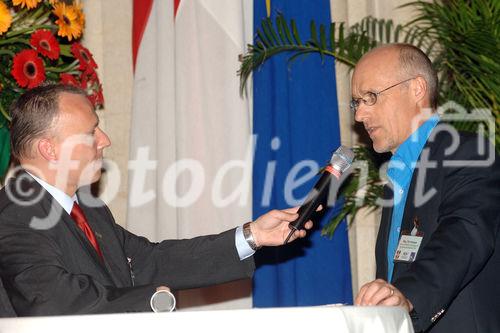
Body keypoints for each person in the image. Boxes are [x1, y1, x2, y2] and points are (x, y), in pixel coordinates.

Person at [0, 84, 313, 316]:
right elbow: (51, 300)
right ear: (49, 150)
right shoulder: (14, 214)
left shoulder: (89, 210)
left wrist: (253, 235)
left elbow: (150, 261)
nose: (104, 141)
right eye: (90, 132)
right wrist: (150, 300)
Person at [351, 43, 500, 332]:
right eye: (356, 102)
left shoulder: (468, 152)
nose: (359, 115)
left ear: (417, 89)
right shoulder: (395, 183)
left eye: (371, 97)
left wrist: (408, 296)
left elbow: (464, 235)